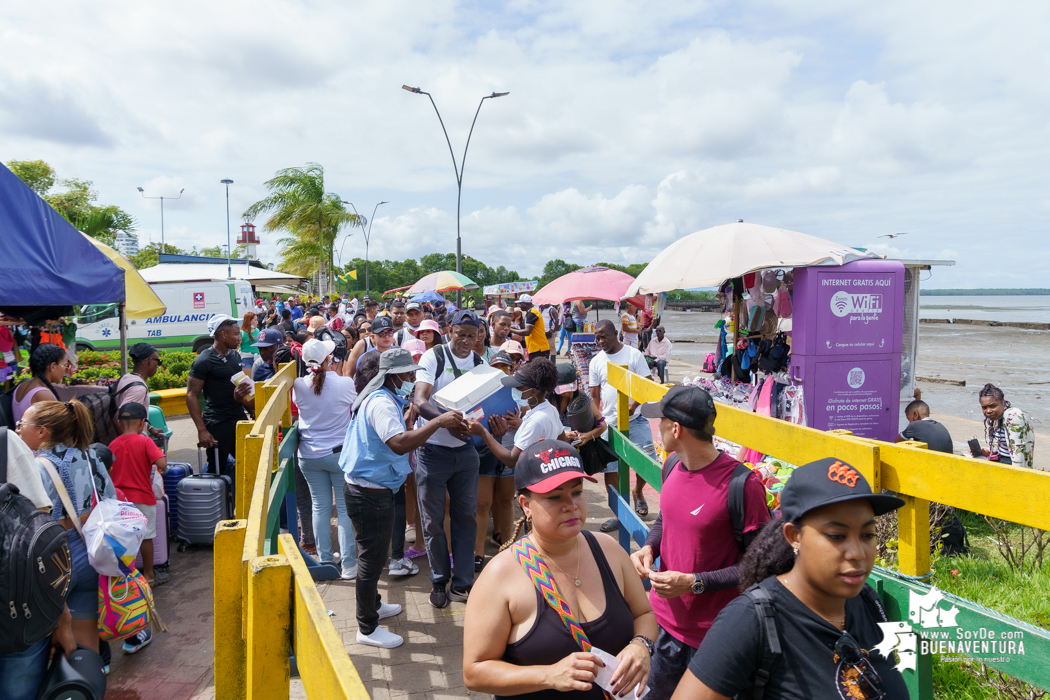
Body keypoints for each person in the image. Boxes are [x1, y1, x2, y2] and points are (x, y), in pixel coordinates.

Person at [670, 458, 908, 700]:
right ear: (794, 536)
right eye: (837, 536)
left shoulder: (866, 602)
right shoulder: (750, 620)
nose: (857, 552)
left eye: (868, 535)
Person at [462, 439, 657, 699]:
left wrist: (641, 646)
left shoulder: (608, 549)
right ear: (526, 504)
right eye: (554, 497)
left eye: (576, 492)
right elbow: (474, 672)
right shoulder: (500, 576)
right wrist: (549, 675)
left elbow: (644, 612)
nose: (571, 505)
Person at [628, 386, 771, 698]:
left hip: (716, 639)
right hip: (663, 626)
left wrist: (694, 583)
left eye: (661, 421)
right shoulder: (671, 466)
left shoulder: (743, 485)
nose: (659, 428)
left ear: (676, 429)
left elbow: (760, 567)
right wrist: (649, 547)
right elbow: (667, 518)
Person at [341, 348, 467, 648]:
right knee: (370, 562)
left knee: (374, 554)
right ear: (393, 376)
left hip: (371, 487)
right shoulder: (381, 403)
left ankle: (374, 605)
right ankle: (367, 627)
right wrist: (437, 423)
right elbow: (398, 443)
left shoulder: (384, 398)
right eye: (409, 375)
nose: (413, 379)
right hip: (369, 493)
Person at [22, 400, 116, 654]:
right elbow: (111, 501)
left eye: (23, 424)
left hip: (49, 560)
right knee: (86, 644)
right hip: (88, 552)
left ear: (42, 431)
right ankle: (88, 684)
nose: (18, 429)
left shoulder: (32, 468)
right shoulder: (90, 456)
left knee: (41, 647)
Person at [468, 359, 573, 570]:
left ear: (532, 391)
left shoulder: (534, 421)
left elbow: (511, 459)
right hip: (545, 478)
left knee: (537, 530)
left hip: (535, 483)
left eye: (519, 387)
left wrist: (484, 433)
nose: (515, 390)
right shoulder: (549, 410)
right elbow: (561, 440)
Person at [412, 309, 482, 608]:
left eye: (472, 336)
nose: (465, 341)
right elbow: (419, 400)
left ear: (478, 335)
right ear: (449, 329)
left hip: (466, 452)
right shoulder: (434, 357)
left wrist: (494, 424)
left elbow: (484, 407)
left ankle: (463, 583)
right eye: (460, 334)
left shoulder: (481, 364)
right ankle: (439, 580)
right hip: (432, 452)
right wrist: (446, 420)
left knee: (466, 518)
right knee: (433, 522)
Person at [293, 338, 359, 579]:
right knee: (343, 509)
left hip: (308, 455)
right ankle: (350, 565)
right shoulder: (344, 383)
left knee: (319, 507)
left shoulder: (298, 384)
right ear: (329, 358)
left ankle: (325, 559)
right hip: (339, 454)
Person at [589, 320, 653, 530]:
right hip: (610, 425)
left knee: (646, 463)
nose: (600, 341)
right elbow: (594, 395)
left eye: (603, 336)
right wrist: (598, 421)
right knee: (611, 471)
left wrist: (633, 406)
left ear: (615, 333)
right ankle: (620, 515)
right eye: (597, 337)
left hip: (636, 420)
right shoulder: (596, 361)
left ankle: (638, 492)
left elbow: (648, 384)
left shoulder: (634, 355)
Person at [109, 403, 169, 594]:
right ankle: (149, 575)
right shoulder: (145, 442)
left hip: (119, 501)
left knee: (124, 538)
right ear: (143, 423)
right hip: (142, 497)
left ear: (119, 423)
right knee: (146, 537)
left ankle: (127, 574)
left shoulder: (113, 444)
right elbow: (163, 464)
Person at [187, 316, 254, 476]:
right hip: (217, 423)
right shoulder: (203, 361)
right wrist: (202, 430)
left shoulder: (235, 356)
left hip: (238, 419)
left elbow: (241, 387)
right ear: (223, 334)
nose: (239, 338)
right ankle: (217, 500)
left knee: (248, 465)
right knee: (216, 469)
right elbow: (191, 396)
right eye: (236, 334)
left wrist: (252, 411)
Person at [978, 383, 1036, 469]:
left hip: (1010, 464)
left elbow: (1018, 449)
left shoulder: (1013, 416)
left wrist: (1016, 475)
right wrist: (987, 452)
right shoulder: (999, 418)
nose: (988, 411)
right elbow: (1004, 447)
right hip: (1001, 460)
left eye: (993, 406)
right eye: (984, 407)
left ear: (1003, 403)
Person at [115, 343, 165, 439]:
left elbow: (132, 416)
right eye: (158, 361)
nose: (158, 366)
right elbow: (118, 417)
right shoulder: (138, 389)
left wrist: (149, 428)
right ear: (150, 361)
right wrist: (132, 446)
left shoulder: (126, 377)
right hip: (134, 446)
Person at [12, 343, 66, 424]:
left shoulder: (22, 385)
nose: (66, 370)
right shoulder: (42, 394)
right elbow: (56, 430)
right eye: (65, 365)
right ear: (53, 366)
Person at [347, 314, 396, 379]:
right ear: (373, 337)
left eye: (389, 333)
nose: (386, 336)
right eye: (381, 334)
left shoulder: (398, 353)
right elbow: (351, 375)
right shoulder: (366, 358)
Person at [510, 294, 550, 361]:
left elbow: (527, 332)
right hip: (535, 349)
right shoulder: (530, 312)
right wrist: (514, 329)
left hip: (539, 349)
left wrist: (511, 330)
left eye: (520, 304)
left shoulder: (532, 313)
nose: (519, 306)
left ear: (525, 304)